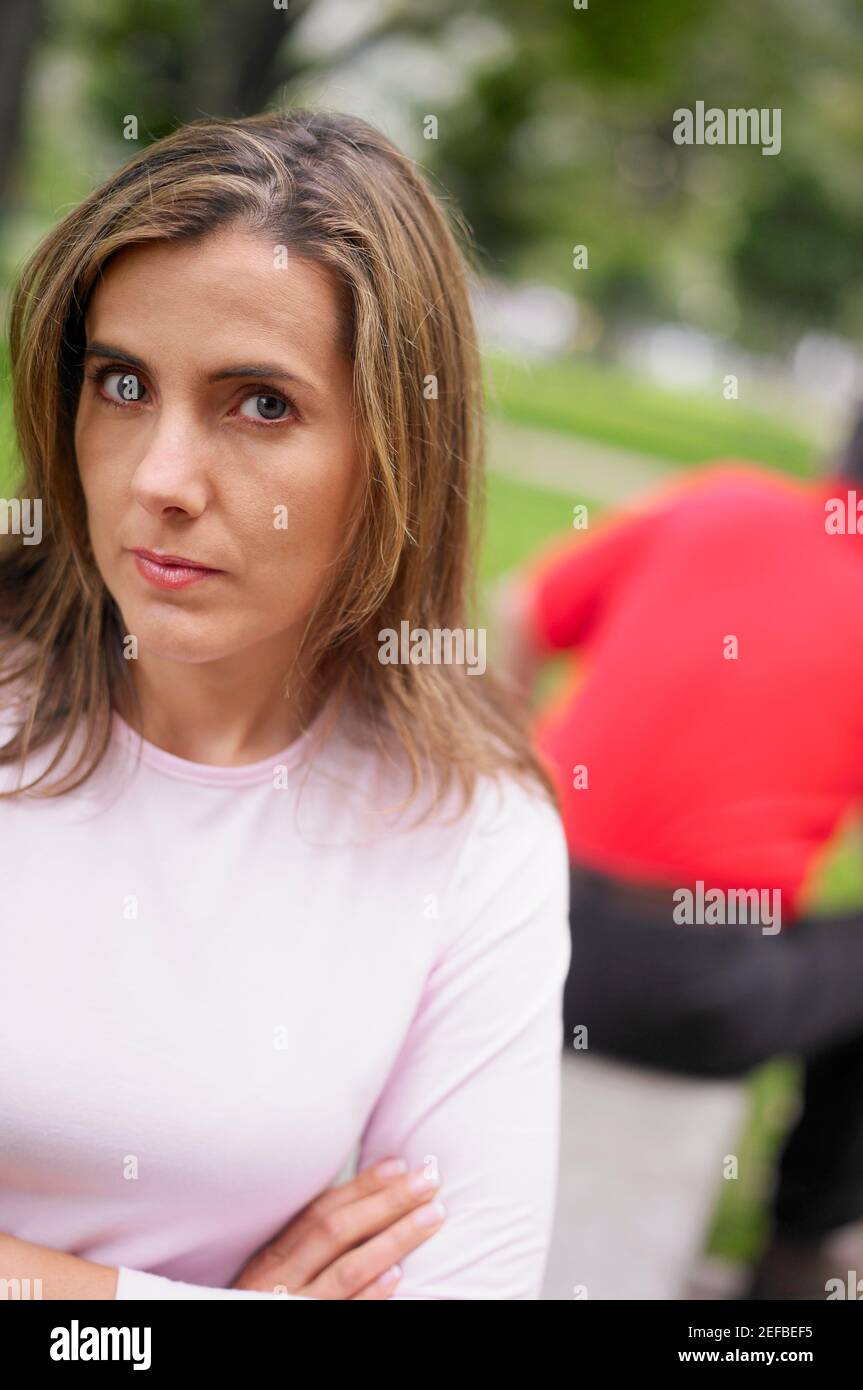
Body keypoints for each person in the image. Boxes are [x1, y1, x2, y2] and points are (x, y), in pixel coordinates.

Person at [0, 110, 571, 1301]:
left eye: (259, 403)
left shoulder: (471, 828)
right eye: (121, 383)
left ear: (398, 450)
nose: (159, 479)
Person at [493, 446, 863, 1299]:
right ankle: (794, 1260)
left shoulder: (722, 501)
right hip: (695, 988)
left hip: (526, 910)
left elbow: (520, 608)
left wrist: (508, 788)